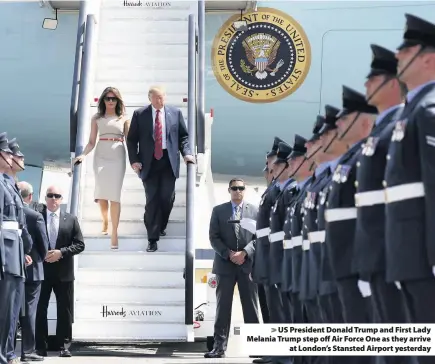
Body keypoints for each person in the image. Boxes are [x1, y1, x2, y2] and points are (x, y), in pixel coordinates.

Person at [353, 44, 411, 334]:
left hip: (403, 252)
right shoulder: (382, 131)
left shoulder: (407, 123)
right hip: (380, 252)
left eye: (373, 78)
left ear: (391, 83)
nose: (366, 84)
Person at [384, 14, 435, 336]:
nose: (398, 55)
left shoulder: (429, 110)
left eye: (407, 50)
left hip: (422, 254)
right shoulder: (413, 111)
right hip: (407, 252)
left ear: (428, 58)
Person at [126, 85, 195, 252]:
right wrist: (134, 161)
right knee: (152, 200)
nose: (160, 100)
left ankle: (161, 224)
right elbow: (132, 140)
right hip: (148, 163)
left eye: (163, 97)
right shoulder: (140, 114)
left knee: (167, 198)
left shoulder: (175, 113)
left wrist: (187, 154)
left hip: (168, 161)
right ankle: (152, 238)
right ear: (150, 98)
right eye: (157, 98)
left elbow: (183, 137)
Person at [205, 178, 259, 359]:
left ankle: (256, 347)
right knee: (223, 308)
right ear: (229, 190)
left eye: (241, 188)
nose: (238, 191)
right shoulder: (219, 211)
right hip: (225, 265)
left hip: (247, 265)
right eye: (234, 188)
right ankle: (219, 347)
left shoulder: (255, 211)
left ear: (245, 190)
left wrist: (244, 253)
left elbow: (259, 237)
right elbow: (214, 237)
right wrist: (228, 254)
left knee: (251, 308)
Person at [73, 87, 129, 249]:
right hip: (101, 155)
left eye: (114, 99)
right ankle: (105, 220)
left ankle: (114, 232)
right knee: (102, 193)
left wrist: (136, 160)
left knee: (115, 195)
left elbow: (130, 141)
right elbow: (91, 141)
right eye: (107, 99)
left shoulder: (124, 118)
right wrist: (83, 155)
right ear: (103, 100)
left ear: (118, 101)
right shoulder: (97, 118)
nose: (110, 101)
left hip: (118, 155)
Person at [35, 186, 85, 358]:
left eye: (57, 196)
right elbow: (30, 242)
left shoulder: (71, 219)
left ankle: (64, 346)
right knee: (40, 309)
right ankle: (40, 346)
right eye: (50, 196)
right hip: (42, 271)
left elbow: (80, 244)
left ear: (62, 199)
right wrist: (41, 255)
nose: (53, 199)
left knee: (64, 310)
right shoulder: (37, 218)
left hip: (64, 273)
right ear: (45, 198)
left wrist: (61, 252)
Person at [4, 138, 34, 364]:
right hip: (6, 252)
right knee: (5, 309)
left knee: (12, 310)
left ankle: (6, 353)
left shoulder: (10, 184)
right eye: (12, 154)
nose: (18, 158)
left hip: (14, 251)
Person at [17, 181, 49, 362]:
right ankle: (27, 351)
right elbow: (44, 245)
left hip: (13, 267)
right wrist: (42, 256)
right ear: (30, 197)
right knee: (29, 311)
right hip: (34, 269)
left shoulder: (10, 213)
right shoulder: (35, 216)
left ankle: (7, 349)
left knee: (12, 310)